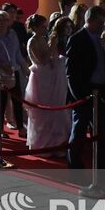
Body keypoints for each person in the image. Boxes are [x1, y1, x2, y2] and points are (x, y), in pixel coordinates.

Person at [66, 5, 105, 171]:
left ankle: (102, 168)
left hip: (100, 90)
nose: (102, 26)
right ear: (90, 21)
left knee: (100, 133)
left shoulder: (101, 38)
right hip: (84, 92)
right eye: (100, 22)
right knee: (79, 132)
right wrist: (79, 96)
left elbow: (102, 63)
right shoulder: (77, 39)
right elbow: (71, 72)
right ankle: (75, 167)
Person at [25, 15, 72, 152]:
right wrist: (52, 45)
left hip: (50, 76)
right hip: (40, 78)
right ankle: (43, 144)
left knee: (54, 109)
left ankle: (55, 142)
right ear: (34, 28)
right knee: (43, 112)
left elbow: (51, 58)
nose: (45, 29)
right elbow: (43, 60)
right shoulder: (32, 41)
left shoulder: (43, 39)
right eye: (42, 27)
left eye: (45, 27)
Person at [0, 10, 25, 135]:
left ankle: (20, 127)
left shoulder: (13, 34)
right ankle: (0, 129)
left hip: (14, 71)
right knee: (1, 102)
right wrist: (3, 66)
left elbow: (17, 52)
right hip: (0, 73)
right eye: (1, 20)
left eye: (6, 20)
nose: (4, 22)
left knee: (17, 100)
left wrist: (24, 66)